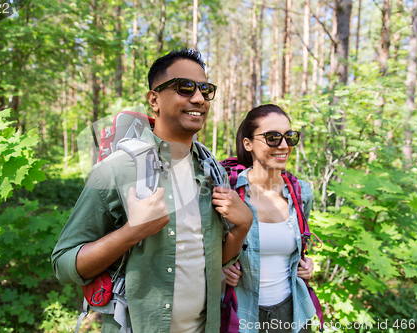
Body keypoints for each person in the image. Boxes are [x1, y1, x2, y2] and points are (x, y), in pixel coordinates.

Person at [51, 49, 253, 333]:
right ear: (154, 99)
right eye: (185, 87)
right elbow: (64, 264)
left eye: (205, 90)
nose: (198, 98)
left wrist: (243, 226)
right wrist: (132, 231)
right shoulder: (116, 170)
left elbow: (212, 260)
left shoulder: (212, 172)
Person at [222, 104, 316, 333]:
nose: (283, 145)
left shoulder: (302, 193)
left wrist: (306, 265)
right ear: (248, 143)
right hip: (242, 314)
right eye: (273, 137)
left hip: (292, 313)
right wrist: (220, 269)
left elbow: (298, 246)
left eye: (289, 136)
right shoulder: (229, 191)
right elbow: (207, 250)